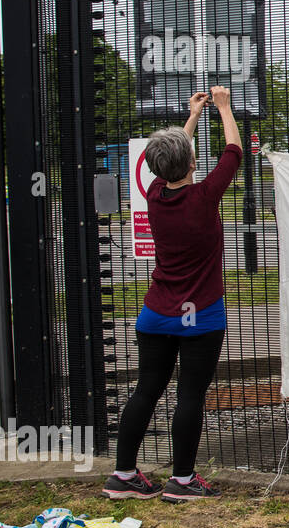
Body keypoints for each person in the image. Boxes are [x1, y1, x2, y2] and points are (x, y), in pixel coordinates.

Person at [103, 86, 243, 502]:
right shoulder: (203, 196)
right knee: (190, 395)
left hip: (155, 314)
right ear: (193, 162)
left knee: (146, 389)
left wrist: (191, 118)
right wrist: (223, 107)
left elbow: (166, 160)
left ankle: (123, 475)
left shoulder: (154, 195)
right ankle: (182, 481)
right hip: (200, 315)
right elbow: (233, 150)